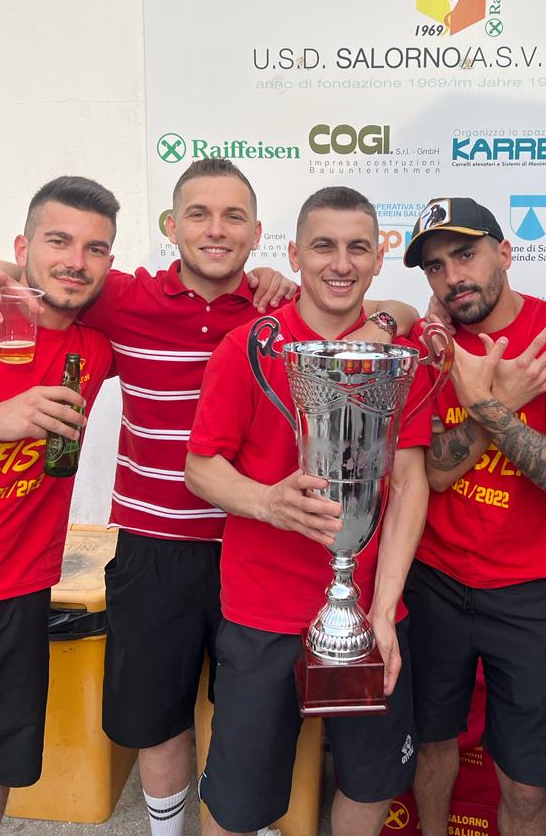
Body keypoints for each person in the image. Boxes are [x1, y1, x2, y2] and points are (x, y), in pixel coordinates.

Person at [0, 159, 413, 836]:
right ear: (171, 227)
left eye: (234, 217)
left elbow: (384, 311)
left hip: (255, 552)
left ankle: (245, 815)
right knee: (158, 716)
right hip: (158, 545)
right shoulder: (122, 298)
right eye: (199, 215)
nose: (216, 230)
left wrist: (388, 315)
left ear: (258, 235)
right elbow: (51, 273)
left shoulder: (274, 308)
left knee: (249, 714)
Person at [184, 186, 432, 836]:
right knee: (236, 808)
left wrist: (383, 611)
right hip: (261, 616)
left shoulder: (397, 357)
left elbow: (409, 483)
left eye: (358, 248)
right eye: (324, 246)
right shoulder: (247, 347)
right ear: (294, 255)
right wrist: (267, 502)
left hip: (370, 617)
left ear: (378, 258)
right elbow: (201, 468)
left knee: (371, 786)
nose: (340, 264)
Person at [401, 196, 546, 836]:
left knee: (527, 779)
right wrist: (504, 401)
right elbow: (435, 472)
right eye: (435, 266)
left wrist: (487, 404)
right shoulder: (429, 347)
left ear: (506, 252)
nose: (452, 276)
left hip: (530, 593)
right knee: (432, 744)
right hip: (435, 579)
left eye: (465, 254)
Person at [0, 176, 119, 836]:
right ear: (22, 247)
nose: (75, 261)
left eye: (94, 248)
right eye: (58, 241)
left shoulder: (96, 346)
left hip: (13, 597)